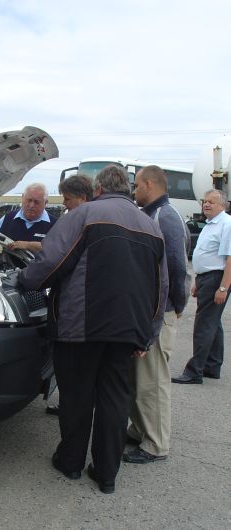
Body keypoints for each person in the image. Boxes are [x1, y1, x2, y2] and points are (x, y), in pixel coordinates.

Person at [18, 165, 168, 494]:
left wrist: (22, 281)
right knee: (115, 399)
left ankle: (70, 463)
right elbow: (161, 288)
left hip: (80, 327)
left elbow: (51, 260)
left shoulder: (85, 214)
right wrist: (149, 333)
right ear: (127, 189)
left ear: (97, 189)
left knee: (76, 397)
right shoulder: (150, 226)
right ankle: (106, 474)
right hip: (127, 331)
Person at [123, 165, 190, 464]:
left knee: (153, 380)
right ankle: (139, 430)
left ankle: (156, 444)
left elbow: (177, 268)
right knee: (140, 378)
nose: (134, 191)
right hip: (150, 312)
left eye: (136, 185)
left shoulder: (166, 217)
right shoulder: (154, 214)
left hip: (160, 313)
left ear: (149, 184)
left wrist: (174, 306)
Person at [45, 174, 94, 416]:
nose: (64, 204)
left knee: (73, 367)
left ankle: (73, 409)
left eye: (67, 199)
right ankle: (72, 405)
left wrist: (28, 280)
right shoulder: (86, 217)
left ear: (83, 198)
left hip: (77, 313)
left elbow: (55, 257)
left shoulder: (80, 220)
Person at [172, 189, 231, 384]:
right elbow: (205, 254)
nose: (206, 204)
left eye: (212, 202)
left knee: (204, 324)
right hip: (207, 277)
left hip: (217, 278)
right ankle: (212, 366)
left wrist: (223, 288)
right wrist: (198, 280)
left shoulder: (226, 224)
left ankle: (194, 371)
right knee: (213, 322)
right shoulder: (210, 224)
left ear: (223, 205)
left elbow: (229, 259)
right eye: (205, 201)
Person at [0, 183, 57, 253]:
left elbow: (57, 249)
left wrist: (28, 245)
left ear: (45, 203)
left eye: (36, 202)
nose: (31, 205)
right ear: (22, 198)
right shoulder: (7, 218)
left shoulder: (55, 225)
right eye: (29, 200)